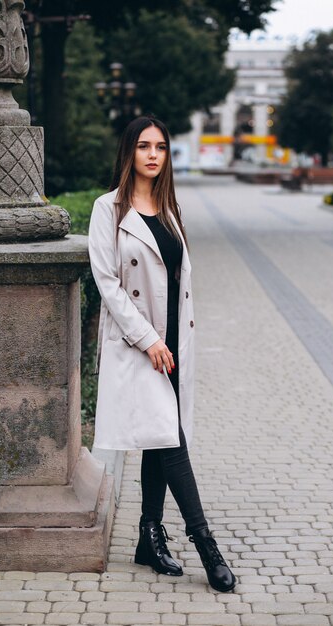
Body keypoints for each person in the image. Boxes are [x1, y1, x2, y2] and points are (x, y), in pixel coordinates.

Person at [88, 116, 235, 593]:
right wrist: (148, 338)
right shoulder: (107, 209)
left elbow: (178, 282)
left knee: (159, 434)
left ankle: (149, 537)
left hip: (174, 343)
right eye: (144, 146)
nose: (153, 155)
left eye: (162, 147)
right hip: (139, 344)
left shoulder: (172, 209)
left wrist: (167, 340)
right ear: (129, 151)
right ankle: (205, 542)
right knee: (171, 439)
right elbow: (107, 283)